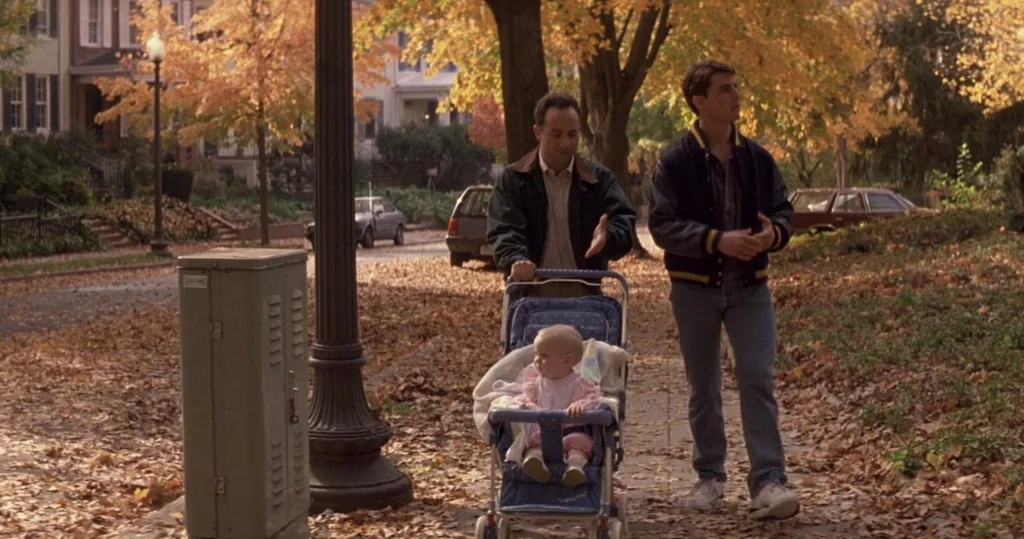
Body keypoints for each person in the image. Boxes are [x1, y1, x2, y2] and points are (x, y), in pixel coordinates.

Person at [648, 59, 800, 520]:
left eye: (736, 87)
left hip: (750, 286)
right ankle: (710, 477)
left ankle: (769, 481)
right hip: (694, 288)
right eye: (724, 89)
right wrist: (717, 240)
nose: (735, 96)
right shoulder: (675, 162)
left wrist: (773, 235)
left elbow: (784, 211)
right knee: (704, 386)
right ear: (699, 101)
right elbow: (662, 226)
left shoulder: (758, 158)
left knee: (757, 375)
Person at [486, 92, 636, 295]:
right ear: (538, 132)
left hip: (586, 292)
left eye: (572, 134)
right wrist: (516, 258)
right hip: (531, 291)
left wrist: (608, 237)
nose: (565, 143)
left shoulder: (599, 179)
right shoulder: (514, 179)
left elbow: (623, 220)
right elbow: (504, 229)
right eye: (556, 134)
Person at [513, 324, 601, 488]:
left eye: (544, 356)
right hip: (543, 431)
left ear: (567, 360)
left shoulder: (580, 384)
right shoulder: (534, 382)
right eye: (536, 354)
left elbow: (594, 399)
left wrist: (580, 405)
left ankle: (575, 468)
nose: (537, 360)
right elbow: (524, 399)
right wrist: (524, 404)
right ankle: (535, 463)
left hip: (571, 430)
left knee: (579, 442)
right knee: (534, 444)